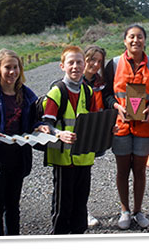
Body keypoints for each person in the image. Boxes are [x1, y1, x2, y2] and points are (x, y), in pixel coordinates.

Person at [0, 48, 50, 236]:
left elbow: (33, 121)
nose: (12, 72)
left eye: (16, 67)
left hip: (18, 158)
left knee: (13, 206)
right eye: (8, 67)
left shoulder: (26, 95)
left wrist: (39, 126)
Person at [102, 24, 149, 229]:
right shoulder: (114, 64)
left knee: (139, 170)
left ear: (145, 40)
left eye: (139, 37)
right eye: (131, 37)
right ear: (124, 40)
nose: (135, 40)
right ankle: (124, 210)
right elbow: (106, 95)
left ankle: (138, 210)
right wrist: (117, 106)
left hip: (145, 127)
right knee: (122, 170)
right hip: (121, 126)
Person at [42, 45, 98, 234]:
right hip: (63, 161)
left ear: (85, 65)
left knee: (80, 207)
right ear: (62, 66)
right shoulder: (57, 92)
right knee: (62, 208)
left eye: (79, 62)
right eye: (71, 63)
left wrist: (107, 129)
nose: (75, 66)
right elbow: (45, 125)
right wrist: (60, 134)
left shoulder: (88, 91)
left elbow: (94, 120)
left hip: (84, 159)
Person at [83, 45, 106, 227]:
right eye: (92, 60)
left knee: (85, 174)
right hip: (74, 135)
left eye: (99, 61)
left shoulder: (100, 83)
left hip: (91, 135)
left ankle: (84, 210)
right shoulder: (73, 80)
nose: (95, 64)